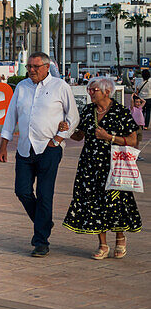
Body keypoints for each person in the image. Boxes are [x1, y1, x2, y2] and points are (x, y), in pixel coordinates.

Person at [0, 52, 79, 257]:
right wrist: (3, 144)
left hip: (49, 149)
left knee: (44, 194)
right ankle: (45, 221)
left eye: (35, 67)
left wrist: (58, 139)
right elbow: (11, 116)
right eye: (29, 67)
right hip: (25, 148)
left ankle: (40, 241)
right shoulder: (22, 87)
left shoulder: (60, 87)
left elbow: (73, 117)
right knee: (22, 191)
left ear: (46, 67)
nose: (31, 70)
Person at [62, 77, 142, 259]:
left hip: (113, 165)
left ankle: (120, 238)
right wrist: (67, 129)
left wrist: (109, 137)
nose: (90, 92)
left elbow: (133, 140)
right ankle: (102, 244)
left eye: (94, 90)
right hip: (90, 165)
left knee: (117, 201)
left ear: (107, 91)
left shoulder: (120, 112)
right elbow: (79, 135)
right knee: (94, 202)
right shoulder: (89, 111)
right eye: (89, 90)